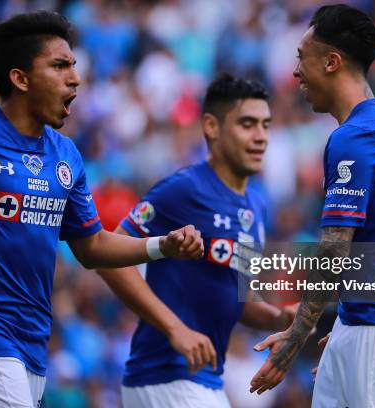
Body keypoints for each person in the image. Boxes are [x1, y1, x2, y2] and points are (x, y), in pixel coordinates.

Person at [0, 11, 203, 408]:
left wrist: (160, 246)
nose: (75, 78)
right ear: (20, 78)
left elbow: (92, 246)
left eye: (74, 66)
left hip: (32, 341)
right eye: (61, 65)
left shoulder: (65, 154)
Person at [249, 5, 375, 408]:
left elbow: (334, 250)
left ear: (332, 62)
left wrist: (295, 338)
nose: (295, 72)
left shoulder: (355, 138)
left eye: (301, 58)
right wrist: (349, 327)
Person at [97, 73, 295, 408]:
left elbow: (238, 296)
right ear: (211, 127)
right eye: (247, 124)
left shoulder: (257, 205)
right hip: (165, 375)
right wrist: (175, 329)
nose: (260, 136)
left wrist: (279, 318)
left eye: (266, 125)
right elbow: (106, 258)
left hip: (205, 378)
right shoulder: (184, 189)